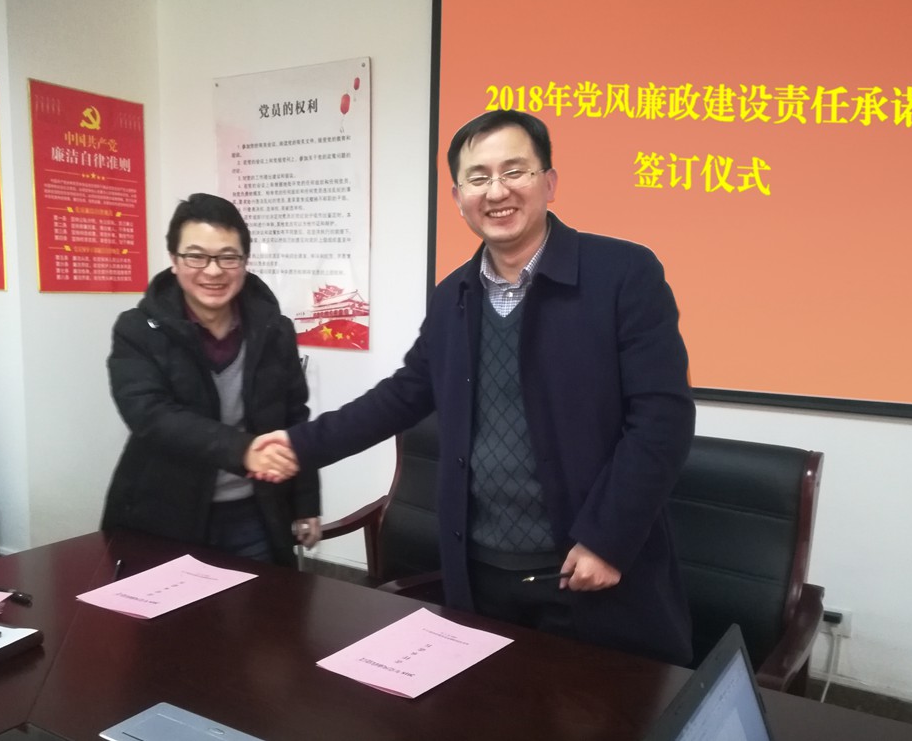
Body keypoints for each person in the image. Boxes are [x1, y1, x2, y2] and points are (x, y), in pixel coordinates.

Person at [258, 110, 695, 663]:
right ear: (458, 195)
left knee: (609, 704)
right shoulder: (454, 296)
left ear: (549, 182)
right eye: (478, 177)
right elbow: (404, 394)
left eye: (515, 171)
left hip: (586, 569)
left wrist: (608, 539)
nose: (496, 191)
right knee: (488, 703)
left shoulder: (623, 274)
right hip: (481, 571)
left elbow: (661, 419)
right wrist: (298, 446)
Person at [103, 193, 320, 566]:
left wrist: (306, 502)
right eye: (196, 256)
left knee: (265, 603)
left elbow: (294, 418)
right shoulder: (138, 329)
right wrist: (242, 450)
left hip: (254, 513)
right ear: (174, 261)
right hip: (164, 514)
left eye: (228, 257)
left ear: (244, 262)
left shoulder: (274, 330)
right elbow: (150, 415)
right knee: (169, 605)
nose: (214, 271)